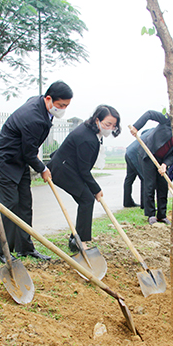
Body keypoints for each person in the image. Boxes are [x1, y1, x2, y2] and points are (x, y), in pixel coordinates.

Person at [0, 81, 73, 262]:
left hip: (19, 160)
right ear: (48, 99)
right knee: (10, 204)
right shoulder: (33, 117)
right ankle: (2, 251)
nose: (63, 109)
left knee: (25, 203)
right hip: (4, 159)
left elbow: (27, 152)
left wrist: (40, 167)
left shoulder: (41, 105)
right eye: (61, 105)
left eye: (66, 106)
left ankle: (25, 248)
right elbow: (29, 152)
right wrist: (43, 169)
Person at [48, 105, 121, 251]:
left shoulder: (91, 131)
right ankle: (79, 241)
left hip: (69, 167)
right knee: (87, 199)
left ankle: (77, 239)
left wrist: (92, 188)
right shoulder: (87, 138)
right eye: (107, 124)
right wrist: (96, 189)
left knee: (86, 199)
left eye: (114, 125)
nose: (110, 128)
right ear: (97, 120)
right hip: (63, 170)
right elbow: (84, 170)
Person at [129, 110, 173, 225]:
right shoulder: (170, 120)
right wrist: (136, 127)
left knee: (163, 185)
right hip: (148, 154)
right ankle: (150, 215)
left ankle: (162, 215)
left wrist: (165, 164)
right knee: (150, 184)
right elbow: (149, 114)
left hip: (163, 159)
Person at [123, 128, 154, 208]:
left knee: (129, 179)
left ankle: (127, 202)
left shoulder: (150, 131)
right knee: (144, 178)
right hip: (135, 154)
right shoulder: (156, 132)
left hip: (129, 152)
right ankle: (145, 204)